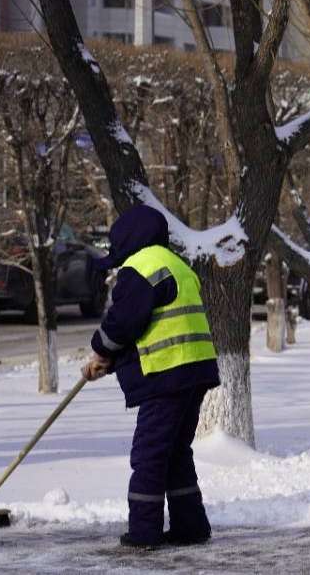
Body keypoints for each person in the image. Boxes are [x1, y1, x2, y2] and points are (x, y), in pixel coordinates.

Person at [81, 205, 220, 549]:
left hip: (166, 375)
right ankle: (191, 526)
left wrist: (101, 350)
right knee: (174, 452)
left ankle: (144, 532)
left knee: (149, 454)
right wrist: (110, 361)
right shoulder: (176, 264)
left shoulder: (141, 268)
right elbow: (156, 325)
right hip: (194, 370)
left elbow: (124, 322)